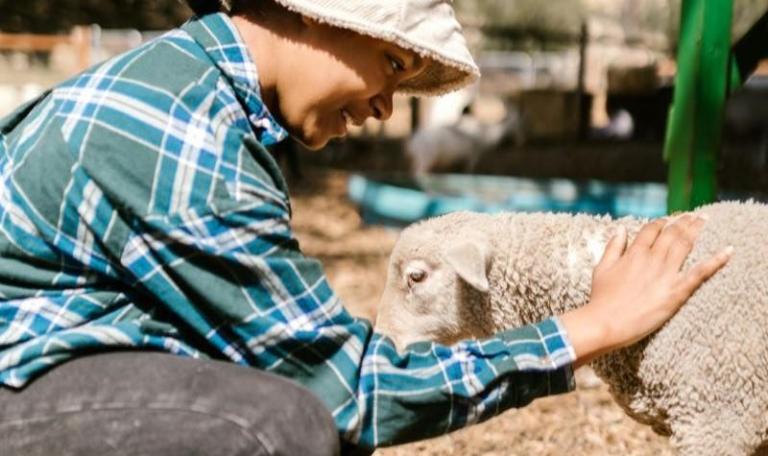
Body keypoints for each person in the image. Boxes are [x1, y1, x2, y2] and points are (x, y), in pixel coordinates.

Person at [0, 0, 732, 454]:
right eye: (389, 60)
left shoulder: (189, 91)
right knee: (279, 426)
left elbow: (303, 353)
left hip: (41, 371)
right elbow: (353, 392)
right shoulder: (189, 144)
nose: (388, 105)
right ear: (314, 11)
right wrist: (591, 326)